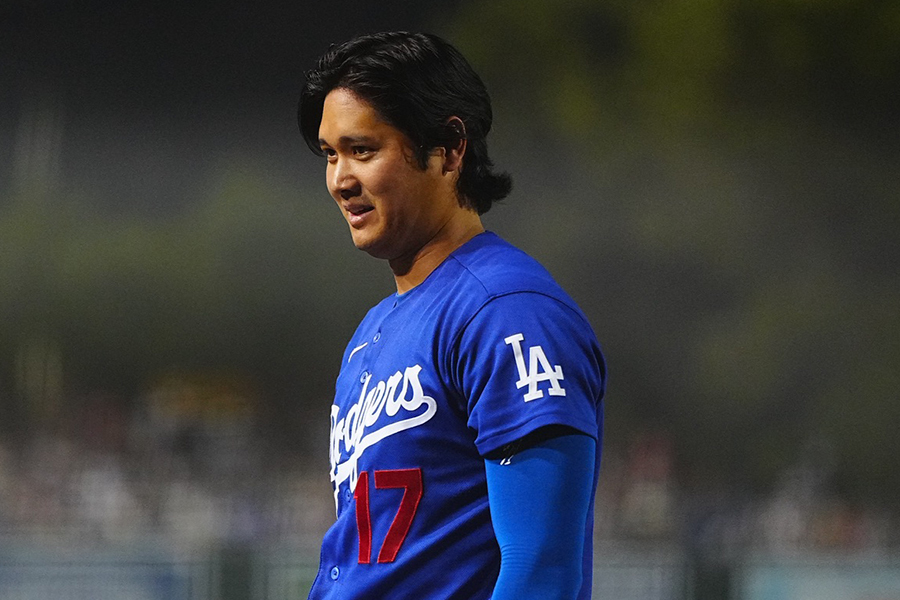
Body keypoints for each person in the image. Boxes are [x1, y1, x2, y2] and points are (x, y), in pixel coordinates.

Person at [298, 31, 606, 600]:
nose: (340, 179)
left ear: (449, 146)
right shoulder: (373, 331)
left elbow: (541, 572)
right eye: (330, 154)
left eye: (363, 150)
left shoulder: (508, 311)